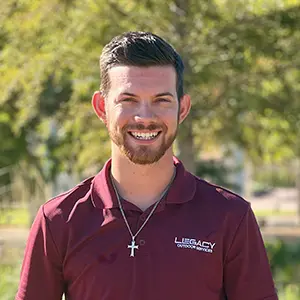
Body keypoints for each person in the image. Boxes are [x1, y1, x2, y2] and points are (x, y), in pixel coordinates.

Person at [16, 31, 278, 300]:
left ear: (183, 109)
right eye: (128, 100)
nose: (145, 117)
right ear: (102, 108)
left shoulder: (230, 217)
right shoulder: (58, 220)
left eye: (161, 100)